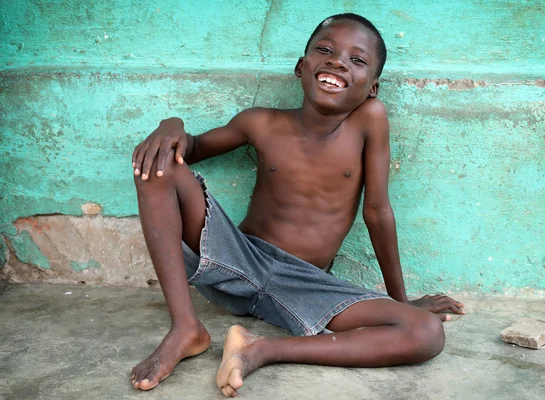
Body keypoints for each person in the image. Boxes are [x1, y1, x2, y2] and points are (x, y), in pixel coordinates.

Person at [130, 13, 465, 397]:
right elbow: (191, 148)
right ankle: (185, 327)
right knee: (158, 165)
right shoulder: (259, 122)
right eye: (325, 50)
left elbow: (377, 211)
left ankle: (262, 350)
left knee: (425, 332)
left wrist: (399, 300)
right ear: (300, 67)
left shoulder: (369, 120)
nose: (338, 61)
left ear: (373, 88)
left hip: (306, 284)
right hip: (239, 261)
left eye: (357, 60)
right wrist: (171, 125)